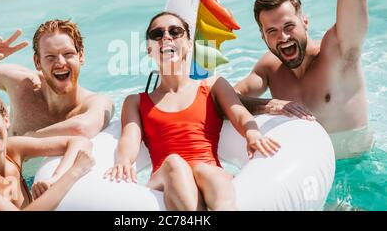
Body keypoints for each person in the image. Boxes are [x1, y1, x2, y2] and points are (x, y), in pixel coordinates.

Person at [104, 12, 280, 211]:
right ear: (149, 49)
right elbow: (129, 139)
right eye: (157, 34)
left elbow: (239, 114)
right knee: (175, 164)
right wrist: (124, 161)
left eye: (175, 32)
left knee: (210, 173)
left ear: (188, 44)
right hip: (164, 176)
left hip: (208, 170)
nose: (166, 37)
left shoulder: (213, 86)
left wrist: (252, 133)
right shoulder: (136, 101)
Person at [234, 0, 373, 159]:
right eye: (272, 31)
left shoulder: (339, 52)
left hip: (358, 165)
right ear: (263, 37)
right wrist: (269, 104)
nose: (283, 37)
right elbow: (229, 98)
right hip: (309, 171)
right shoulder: (270, 68)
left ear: (305, 21)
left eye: (289, 26)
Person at [0, 19, 114, 138]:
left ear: (80, 56)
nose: (60, 63)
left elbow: (81, 129)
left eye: (68, 54)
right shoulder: (20, 84)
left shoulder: (97, 102)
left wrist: (23, 141)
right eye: (50, 57)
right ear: (37, 62)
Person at [0, 82, 95, 211]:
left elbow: (79, 142)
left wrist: (55, 178)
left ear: (6, 119)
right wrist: (74, 173)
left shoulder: (13, 150)